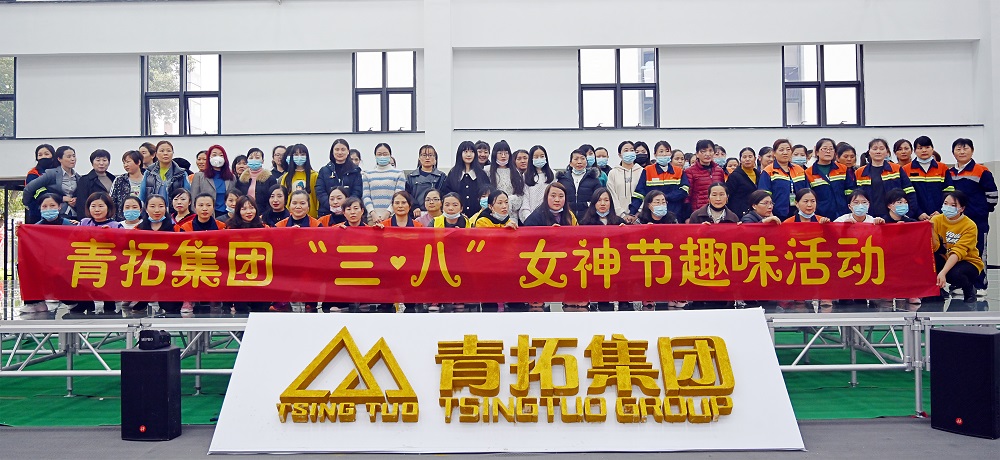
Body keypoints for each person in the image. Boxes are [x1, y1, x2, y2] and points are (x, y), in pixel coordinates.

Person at [948, 137, 996, 292]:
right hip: (957, 222)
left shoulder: (982, 171)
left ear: (972, 151)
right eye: (958, 149)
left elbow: (992, 195)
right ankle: (961, 284)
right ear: (953, 152)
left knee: (979, 251)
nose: (962, 152)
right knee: (959, 251)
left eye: (965, 148)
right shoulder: (950, 173)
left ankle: (980, 285)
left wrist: (982, 210)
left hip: (977, 220)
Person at [71, 192, 123, 315]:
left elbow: (124, 245)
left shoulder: (116, 225)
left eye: (101, 206)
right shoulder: (84, 223)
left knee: (108, 291)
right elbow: (72, 240)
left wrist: (112, 235)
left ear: (108, 208)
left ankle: (110, 304)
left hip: (108, 264)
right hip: (87, 261)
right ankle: (85, 303)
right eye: (93, 206)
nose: (97, 210)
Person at [931, 191, 984, 306]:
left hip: (967, 261)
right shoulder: (936, 220)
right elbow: (934, 248)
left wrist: (943, 272)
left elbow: (958, 252)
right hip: (945, 257)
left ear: (962, 208)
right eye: (945, 203)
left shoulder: (969, 225)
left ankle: (969, 290)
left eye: (953, 205)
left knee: (953, 274)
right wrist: (930, 230)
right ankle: (937, 291)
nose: (947, 207)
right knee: (931, 261)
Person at [853, 138, 918, 219]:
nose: (878, 151)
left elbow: (910, 192)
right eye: (875, 149)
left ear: (887, 151)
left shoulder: (896, 169)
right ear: (869, 152)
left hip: (894, 217)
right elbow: (853, 197)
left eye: (881, 148)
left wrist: (909, 214)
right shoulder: (859, 172)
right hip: (869, 217)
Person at [629, 140, 689, 220]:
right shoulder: (648, 170)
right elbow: (639, 193)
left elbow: (684, 190)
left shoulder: (679, 171)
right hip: (652, 215)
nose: (664, 154)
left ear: (670, 153)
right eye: (661, 151)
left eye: (667, 151)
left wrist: (665, 197)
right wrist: (632, 212)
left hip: (675, 214)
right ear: (655, 154)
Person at [902, 136, 952, 221]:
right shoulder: (906, 169)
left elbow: (949, 192)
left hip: (940, 216)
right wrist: (918, 213)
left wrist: (940, 211)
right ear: (914, 151)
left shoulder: (942, 168)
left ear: (932, 149)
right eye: (920, 148)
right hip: (916, 217)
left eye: (927, 147)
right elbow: (906, 195)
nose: (924, 150)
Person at [23, 145, 82, 219]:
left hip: (74, 214)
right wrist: (28, 204)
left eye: (74, 156)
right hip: (54, 215)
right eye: (68, 157)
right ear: (59, 159)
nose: (72, 159)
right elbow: (29, 188)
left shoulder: (78, 177)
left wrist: (75, 200)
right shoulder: (51, 173)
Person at [758, 138, 808, 221]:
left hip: (800, 214)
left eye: (788, 149)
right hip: (778, 214)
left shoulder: (799, 170)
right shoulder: (768, 171)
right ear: (774, 153)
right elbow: (764, 196)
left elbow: (807, 191)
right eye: (781, 150)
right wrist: (770, 215)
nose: (785, 152)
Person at [804, 138, 854, 221]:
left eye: (831, 149)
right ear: (817, 152)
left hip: (844, 214)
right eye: (824, 149)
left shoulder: (843, 169)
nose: (828, 151)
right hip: (821, 216)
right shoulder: (809, 172)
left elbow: (851, 191)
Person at [316, 139, 364, 217]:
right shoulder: (324, 171)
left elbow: (357, 191)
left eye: (343, 149)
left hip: (349, 213)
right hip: (327, 212)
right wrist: (331, 205)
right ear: (332, 152)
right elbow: (320, 191)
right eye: (337, 149)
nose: (340, 152)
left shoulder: (355, 171)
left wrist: (346, 207)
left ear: (348, 151)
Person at [362, 142, 406, 223]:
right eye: (379, 154)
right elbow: (366, 196)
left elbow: (399, 196)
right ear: (375, 156)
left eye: (385, 154)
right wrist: (372, 213)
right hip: (373, 218)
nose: (382, 156)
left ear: (390, 155)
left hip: (393, 217)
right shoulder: (367, 174)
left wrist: (388, 212)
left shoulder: (399, 173)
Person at [191, 145, 237, 218]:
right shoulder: (199, 176)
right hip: (207, 215)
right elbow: (193, 198)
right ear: (209, 158)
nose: (217, 157)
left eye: (221, 155)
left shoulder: (231, 177)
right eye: (214, 155)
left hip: (226, 215)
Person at [556, 149, 602, 220]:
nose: (579, 162)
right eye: (576, 159)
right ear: (570, 163)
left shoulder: (593, 179)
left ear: (586, 162)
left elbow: (599, 197)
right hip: (567, 217)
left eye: (582, 158)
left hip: (588, 217)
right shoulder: (563, 179)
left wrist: (588, 204)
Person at [685, 139, 726, 217]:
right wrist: (687, 216)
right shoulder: (690, 171)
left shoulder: (719, 170)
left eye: (710, 151)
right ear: (697, 154)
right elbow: (687, 196)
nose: (708, 154)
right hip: (698, 212)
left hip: (717, 210)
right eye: (703, 151)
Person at [486, 140, 525, 220]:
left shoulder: (515, 172)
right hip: (493, 214)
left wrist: (508, 202)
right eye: (500, 153)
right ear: (495, 154)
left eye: (506, 153)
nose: (503, 156)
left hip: (511, 215)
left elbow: (520, 194)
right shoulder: (487, 171)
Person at [606, 140, 643, 224]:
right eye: (626, 150)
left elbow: (644, 193)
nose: (629, 152)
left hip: (639, 217)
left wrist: (637, 213)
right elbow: (612, 195)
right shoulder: (613, 173)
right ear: (619, 154)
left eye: (632, 150)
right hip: (618, 217)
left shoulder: (642, 171)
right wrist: (622, 215)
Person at [279, 143, 320, 217]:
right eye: (296, 154)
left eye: (302, 154)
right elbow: (283, 197)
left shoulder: (314, 175)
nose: (299, 157)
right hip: (290, 216)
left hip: (311, 216)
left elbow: (317, 199)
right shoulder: (286, 176)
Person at [518, 145, 556, 222]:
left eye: (542, 156)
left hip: (550, 216)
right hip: (532, 215)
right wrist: (528, 217)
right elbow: (525, 198)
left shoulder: (553, 174)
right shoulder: (526, 175)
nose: (539, 159)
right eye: (536, 157)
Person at [405, 144, 447, 214]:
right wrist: (415, 207)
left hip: (436, 213)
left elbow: (444, 195)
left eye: (430, 155)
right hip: (416, 213)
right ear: (419, 158)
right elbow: (408, 195)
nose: (427, 158)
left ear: (435, 158)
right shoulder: (411, 177)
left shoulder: (441, 176)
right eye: (424, 155)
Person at [236, 147, 279, 215]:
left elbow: (272, 198)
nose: (254, 160)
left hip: (264, 214)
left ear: (262, 161)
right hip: (245, 213)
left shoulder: (269, 178)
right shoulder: (242, 179)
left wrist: (265, 215)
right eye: (251, 158)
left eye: (257, 158)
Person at [24, 144, 57, 225]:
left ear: (53, 156)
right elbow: (36, 190)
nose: (43, 157)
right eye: (40, 155)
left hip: (60, 211)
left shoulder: (59, 171)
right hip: (38, 211)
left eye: (46, 154)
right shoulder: (33, 173)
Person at [110, 151, 145, 221]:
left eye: (128, 162)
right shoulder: (119, 180)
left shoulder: (149, 179)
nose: (125, 165)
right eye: (124, 163)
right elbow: (112, 201)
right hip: (123, 220)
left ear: (138, 162)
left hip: (145, 220)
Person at [726, 147, 759, 217]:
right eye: (744, 157)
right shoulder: (734, 176)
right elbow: (728, 195)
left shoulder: (759, 174)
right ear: (740, 160)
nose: (747, 159)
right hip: (739, 213)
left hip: (756, 212)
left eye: (750, 157)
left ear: (755, 159)